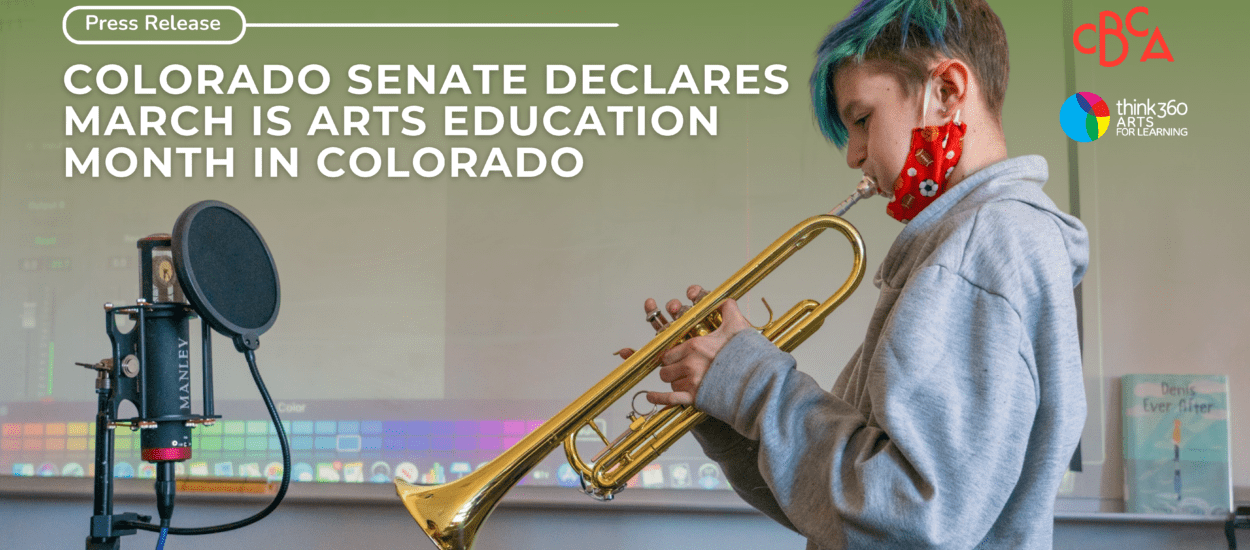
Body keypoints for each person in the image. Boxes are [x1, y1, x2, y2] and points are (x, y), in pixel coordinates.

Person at [617, 0, 1089, 548]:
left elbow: (909, 517)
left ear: (947, 91)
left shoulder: (983, 244)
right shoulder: (965, 245)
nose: (853, 155)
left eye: (862, 119)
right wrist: (721, 400)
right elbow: (839, 513)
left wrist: (750, 382)